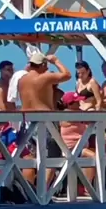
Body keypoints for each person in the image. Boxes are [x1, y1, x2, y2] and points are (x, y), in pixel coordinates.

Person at [19, 51, 71, 188]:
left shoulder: (22, 80)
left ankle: (28, 191)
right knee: (53, 158)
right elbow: (67, 75)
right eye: (46, 66)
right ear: (42, 65)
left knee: (29, 158)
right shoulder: (44, 78)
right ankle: (43, 192)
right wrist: (56, 61)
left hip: (26, 121)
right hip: (44, 121)